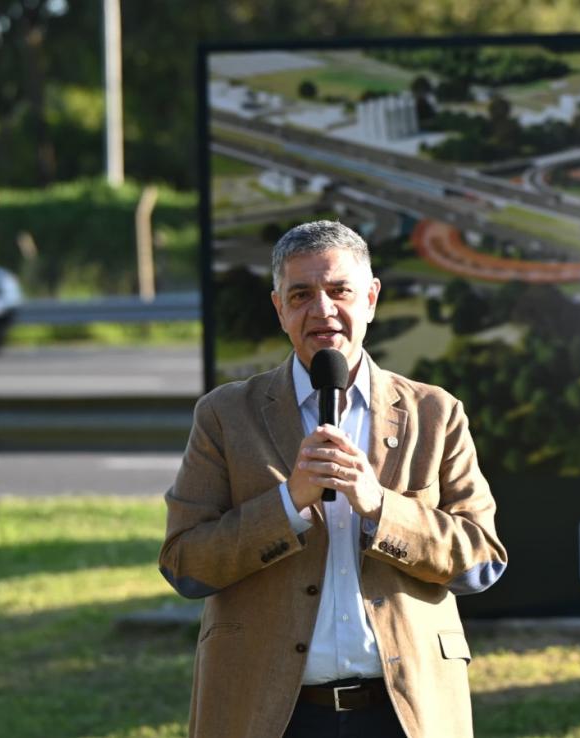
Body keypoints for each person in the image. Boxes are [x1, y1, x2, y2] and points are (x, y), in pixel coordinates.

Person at [159, 220, 507, 738]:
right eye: (300, 295)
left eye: (339, 290)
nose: (321, 310)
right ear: (279, 309)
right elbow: (186, 564)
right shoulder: (225, 415)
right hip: (269, 712)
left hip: (405, 710)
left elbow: (481, 560)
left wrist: (381, 507)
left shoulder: (434, 413)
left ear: (370, 299)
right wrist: (286, 503)